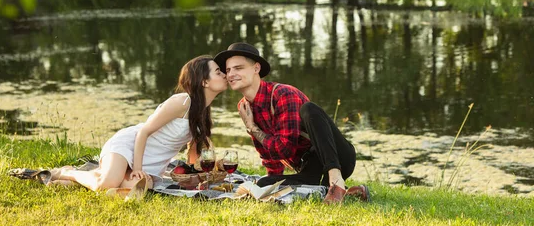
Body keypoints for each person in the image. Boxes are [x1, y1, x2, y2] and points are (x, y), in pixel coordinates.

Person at [214, 42, 370, 204]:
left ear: (256, 68)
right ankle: (351, 192)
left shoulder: (283, 94)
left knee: (309, 109)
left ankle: (336, 180)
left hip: (337, 156)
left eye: (238, 68)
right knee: (263, 184)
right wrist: (272, 179)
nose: (231, 74)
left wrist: (253, 128)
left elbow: (284, 149)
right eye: (228, 70)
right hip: (309, 167)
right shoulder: (244, 106)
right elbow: (267, 152)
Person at [49, 55, 227, 191]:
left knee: (139, 186)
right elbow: (144, 132)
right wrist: (137, 168)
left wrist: (200, 175)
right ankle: (69, 173)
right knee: (106, 184)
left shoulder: (203, 112)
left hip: (153, 161)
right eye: (218, 72)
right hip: (130, 145)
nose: (224, 74)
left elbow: (193, 156)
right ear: (204, 81)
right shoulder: (182, 102)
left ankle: (88, 177)